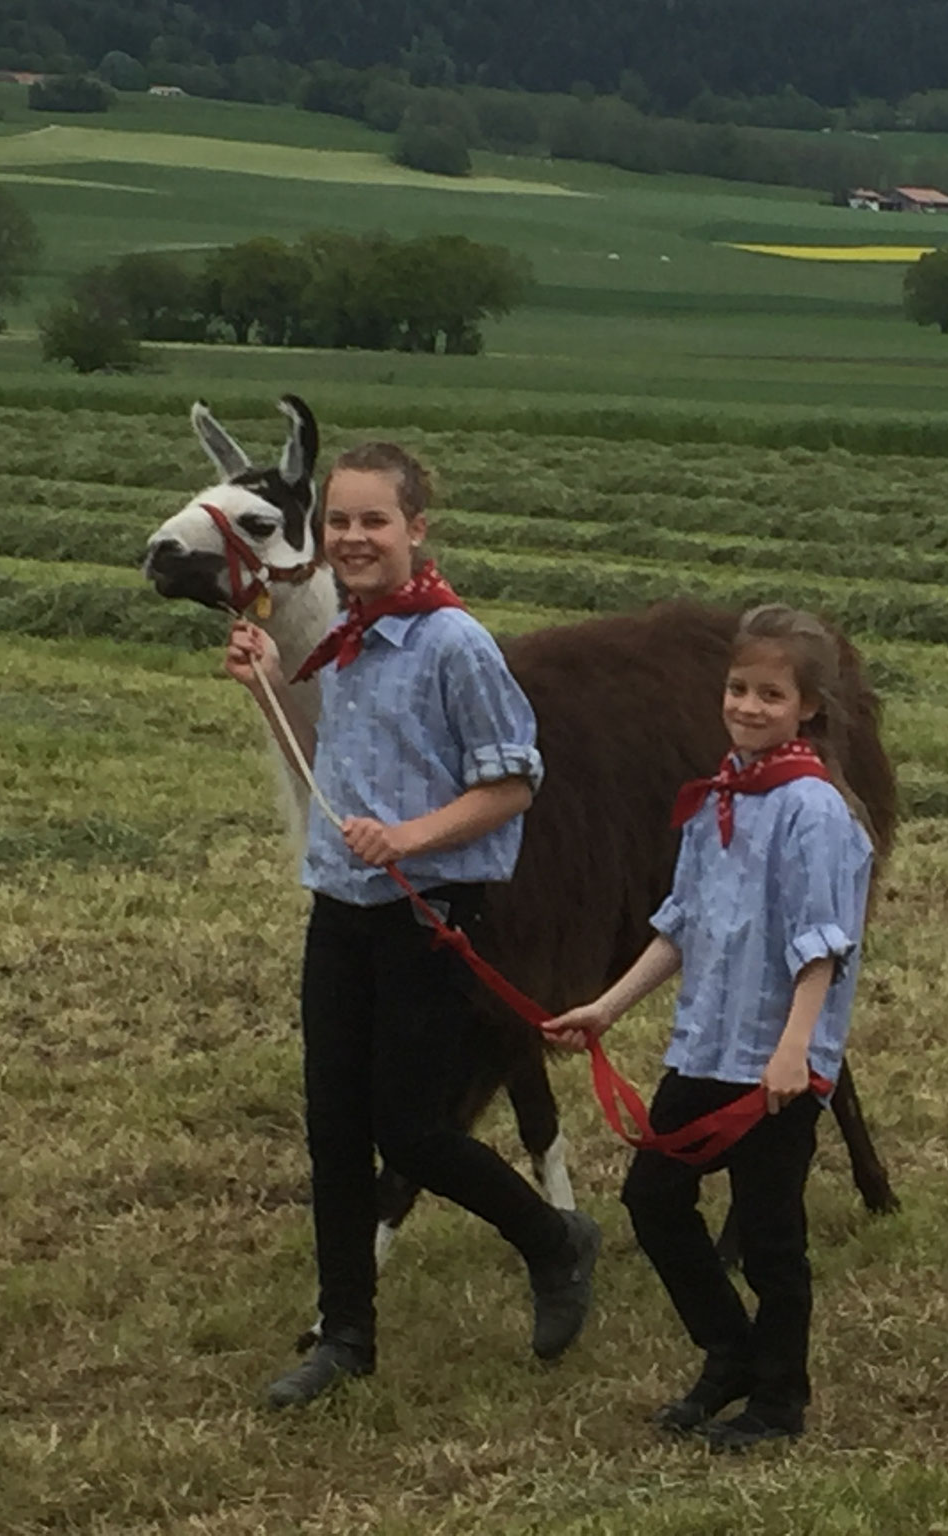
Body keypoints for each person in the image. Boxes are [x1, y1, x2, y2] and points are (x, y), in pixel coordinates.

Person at [224, 441, 600, 1409]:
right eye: (339, 522)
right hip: (340, 911)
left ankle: (554, 1240)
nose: (353, 537)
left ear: (414, 530)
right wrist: (267, 681)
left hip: (427, 914)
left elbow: (514, 780)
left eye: (372, 521)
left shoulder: (451, 644)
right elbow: (333, 766)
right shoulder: (348, 638)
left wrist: (413, 837)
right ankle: (345, 1335)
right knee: (333, 1130)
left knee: (414, 1131)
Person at [543, 605, 874, 1452]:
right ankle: (729, 1352)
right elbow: (682, 923)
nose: (749, 706)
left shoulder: (815, 812)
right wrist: (608, 1006)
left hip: (777, 1061)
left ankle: (781, 1401)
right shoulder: (719, 793)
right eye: (738, 689)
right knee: (654, 1202)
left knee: (770, 1237)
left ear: (808, 707)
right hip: (706, 1046)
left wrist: (797, 1051)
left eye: (771, 694)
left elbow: (822, 946)